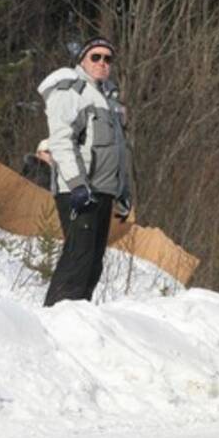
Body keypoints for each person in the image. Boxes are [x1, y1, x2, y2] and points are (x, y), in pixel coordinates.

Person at [37, 36, 133, 306]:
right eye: (96, 57)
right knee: (78, 258)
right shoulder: (72, 91)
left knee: (93, 264)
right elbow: (61, 140)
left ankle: (79, 323)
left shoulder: (108, 100)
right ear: (83, 60)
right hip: (79, 190)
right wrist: (77, 184)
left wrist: (122, 191)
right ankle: (56, 319)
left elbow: (118, 152)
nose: (103, 63)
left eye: (108, 59)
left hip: (103, 191)